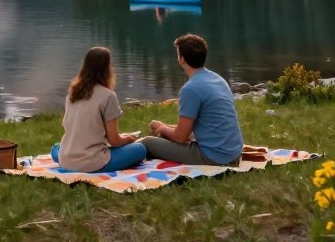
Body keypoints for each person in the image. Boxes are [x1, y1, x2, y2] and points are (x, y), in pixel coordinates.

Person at [141, 33, 244, 166]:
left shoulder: (190, 89)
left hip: (214, 158)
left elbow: (180, 137)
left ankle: (116, 157)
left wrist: (162, 129)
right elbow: (189, 129)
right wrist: (165, 127)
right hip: (234, 154)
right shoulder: (218, 79)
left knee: (147, 143)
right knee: (168, 134)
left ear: (182, 60)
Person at [50, 46, 147, 173]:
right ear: (107, 69)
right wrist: (128, 139)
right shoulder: (108, 95)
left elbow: (73, 129)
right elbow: (114, 141)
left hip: (66, 159)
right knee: (140, 149)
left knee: (55, 149)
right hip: (92, 162)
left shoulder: (73, 93)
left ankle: (67, 158)